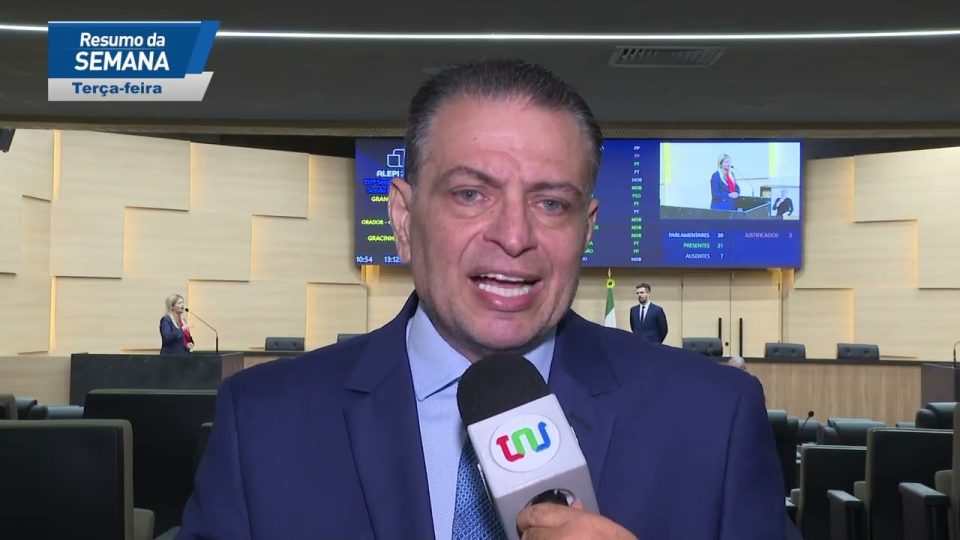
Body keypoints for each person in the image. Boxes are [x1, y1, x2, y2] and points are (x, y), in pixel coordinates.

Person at [178, 59, 789, 539]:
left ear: (587, 228)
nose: (514, 236)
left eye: (551, 203)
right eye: (471, 194)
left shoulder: (713, 419)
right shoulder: (263, 423)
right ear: (402, 218)